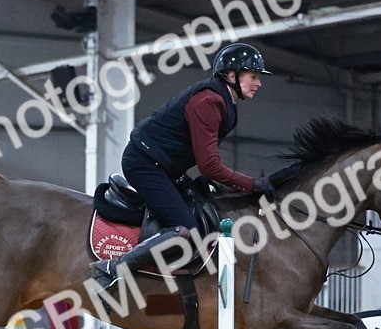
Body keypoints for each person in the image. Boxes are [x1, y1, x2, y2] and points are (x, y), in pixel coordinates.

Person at [91, 42, 275, 290]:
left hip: (164, 165)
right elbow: (209, 165)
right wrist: (250, 184)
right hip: (144, 163)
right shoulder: (209, 102)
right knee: (184, 228)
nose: (258, 83)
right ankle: (112, 269)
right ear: (232, 75)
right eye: (253, 76)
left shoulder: (223, 101)